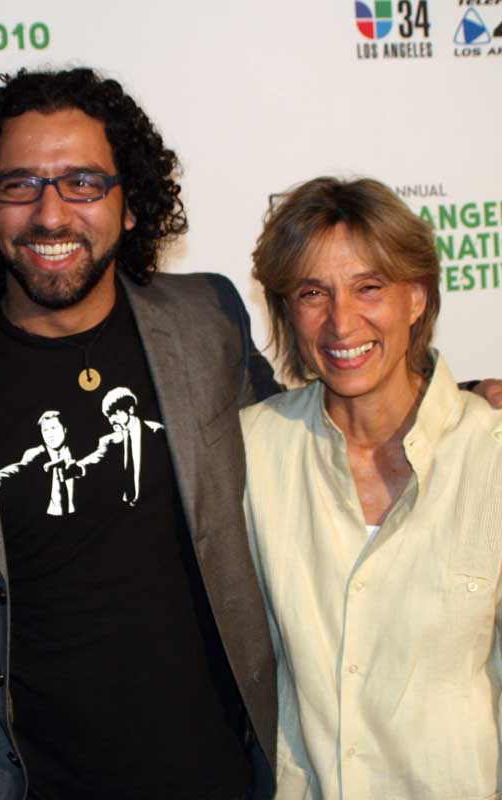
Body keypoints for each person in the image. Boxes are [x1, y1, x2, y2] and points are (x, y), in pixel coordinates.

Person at [0, 67, 281, 800]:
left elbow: (312, 451)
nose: (51, 214)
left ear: (129, 204)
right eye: (20, 185)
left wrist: (453, 406)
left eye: (83, 183)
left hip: (219, 770)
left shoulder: (207, 320)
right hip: (27, 782)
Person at [243, 176, 502, 799]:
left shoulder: (490, 455)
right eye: (313, 293)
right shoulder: (250, 452)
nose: (341, 321)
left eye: (369, 287)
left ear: (416, 298)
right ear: (287, 311)